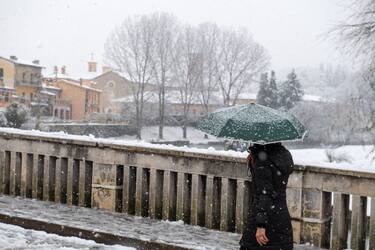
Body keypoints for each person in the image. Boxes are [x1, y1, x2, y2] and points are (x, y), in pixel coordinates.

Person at [239, 143, 294, 250]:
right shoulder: (283, 154)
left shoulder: (262, 160)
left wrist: (261, 225)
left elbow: (265, 194)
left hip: (265, 219)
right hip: (281, 217)